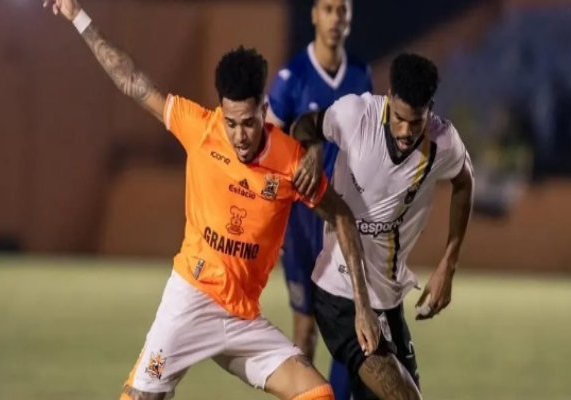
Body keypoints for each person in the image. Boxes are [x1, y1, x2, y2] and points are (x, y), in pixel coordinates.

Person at [41, 1, 410, 399]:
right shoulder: (200, 128)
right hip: (191, 299)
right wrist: (78, 17)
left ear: (264, 110)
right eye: (231, 123)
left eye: (249, 123)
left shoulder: (290, 162)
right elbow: (132, 80)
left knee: (318, 394)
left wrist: (362, 306)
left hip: (242, 319)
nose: (239, 136)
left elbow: (342, 217)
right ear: (221, 112)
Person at [291, 53, 475, 399]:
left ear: (430, 110)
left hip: (387, 300)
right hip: (339, 294)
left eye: (415, 122)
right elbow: (303, 125)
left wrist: (448, 265)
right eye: (399, 118)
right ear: (389, 98)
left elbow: (465, 182)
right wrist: (313, 148)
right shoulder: (355, 115)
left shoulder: (443, 143)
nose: (405, 131)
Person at [266, 1, 372, 398]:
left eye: (342, 10)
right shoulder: (292, 76)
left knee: (350, 327)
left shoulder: (360, 74)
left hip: (342, 218)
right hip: (301, 222)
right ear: (314, 15)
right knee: (306, 329)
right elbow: (268, 143)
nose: (335, 18)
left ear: (350, 17)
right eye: (327, 9)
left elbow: (366, 140)